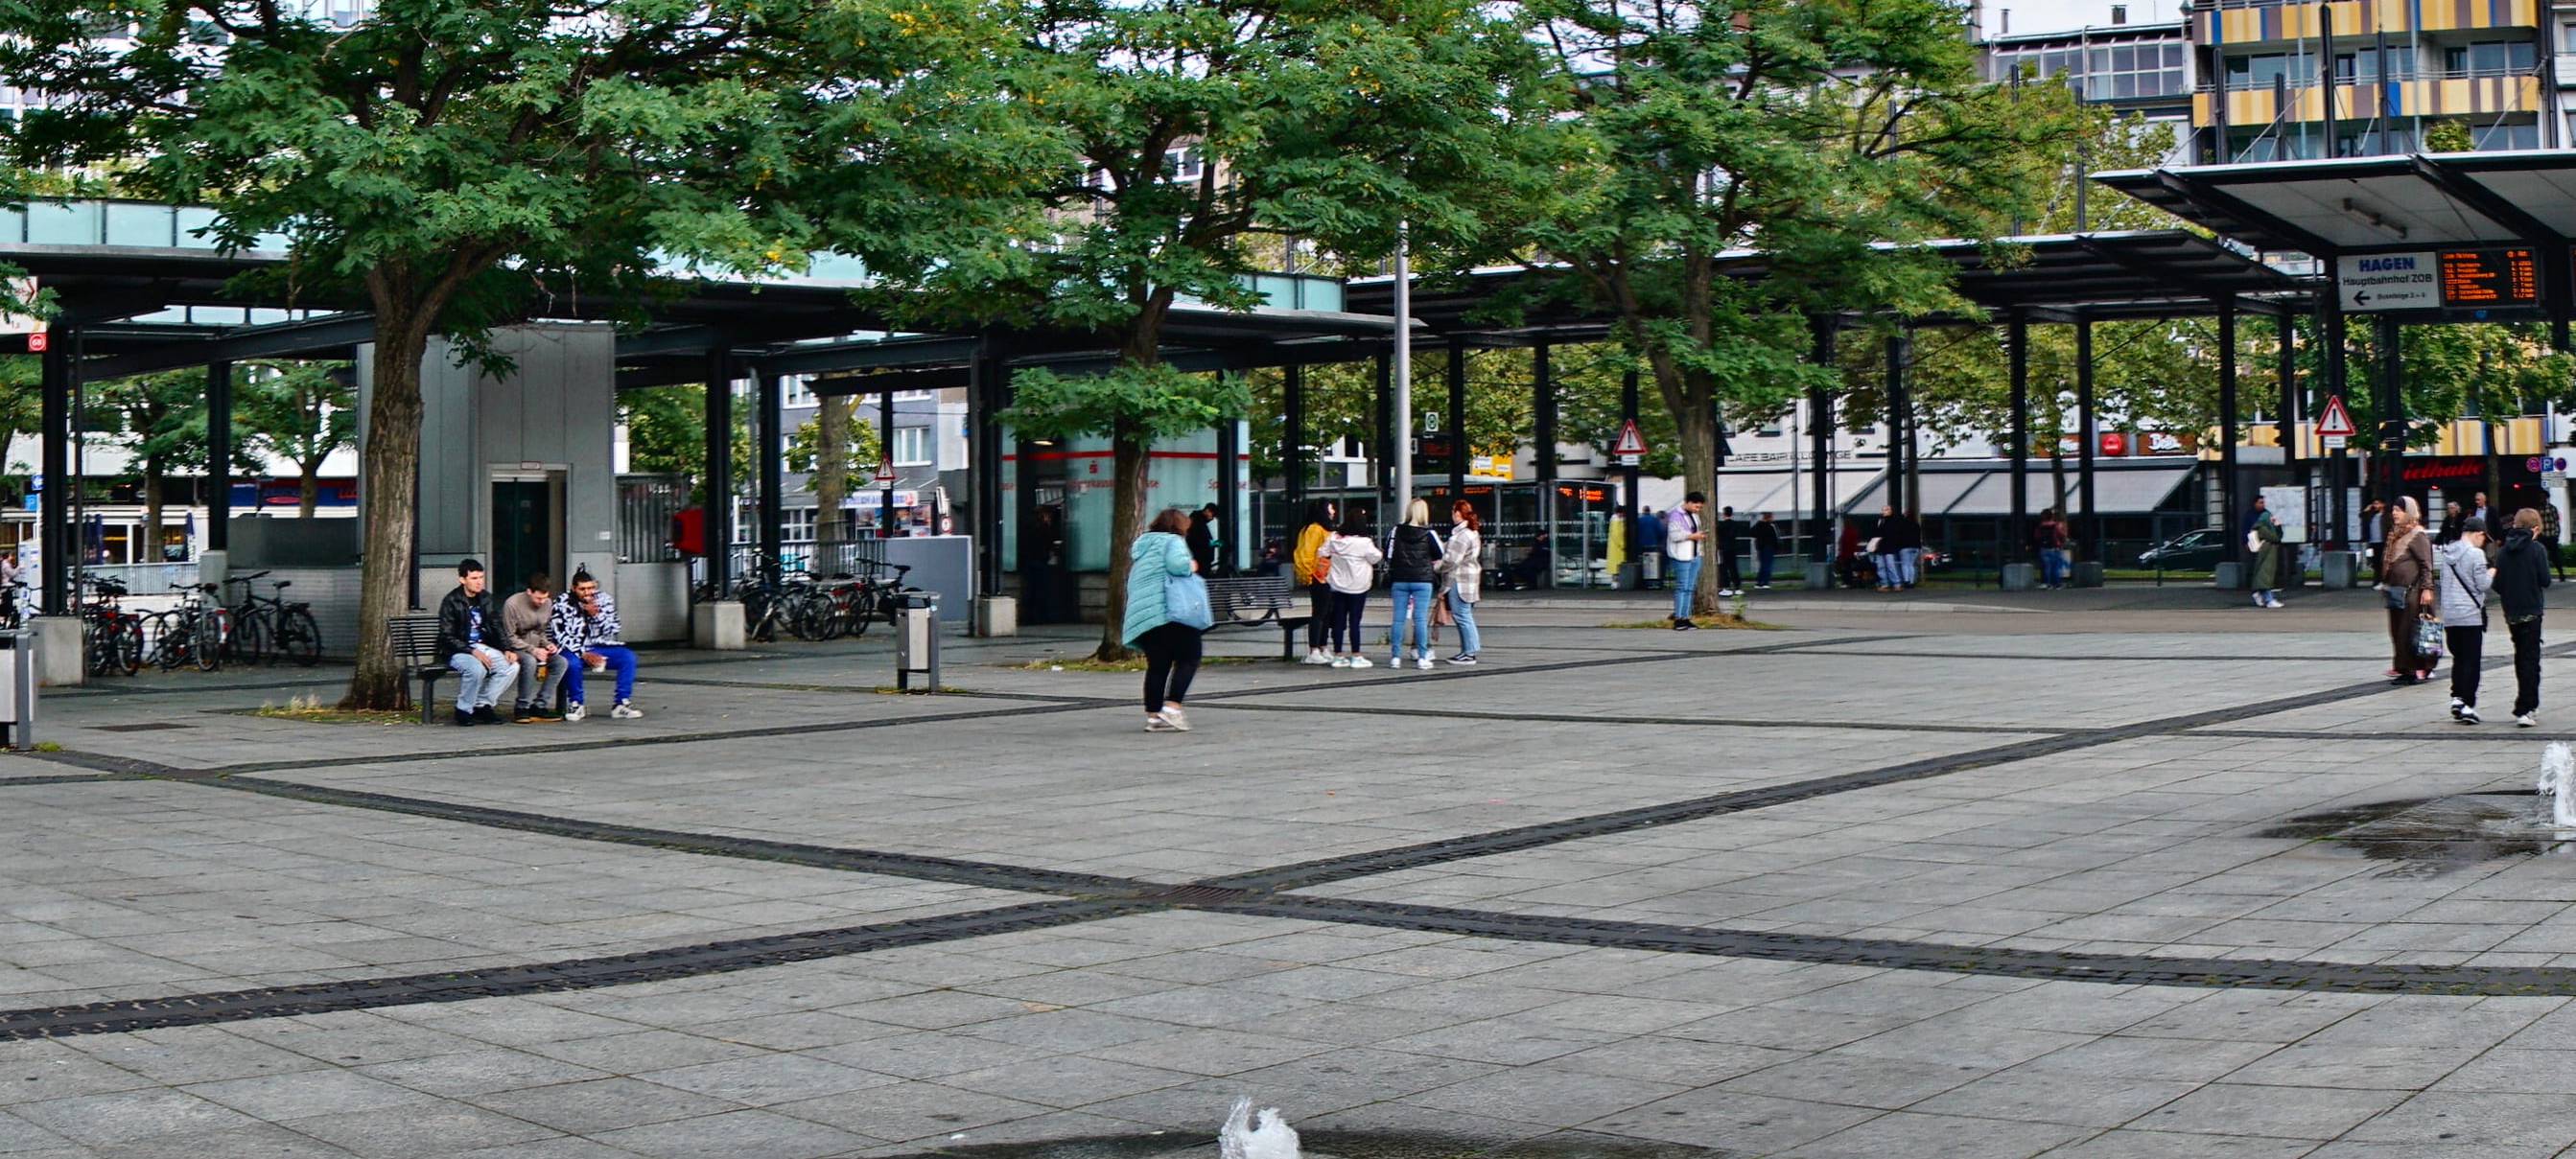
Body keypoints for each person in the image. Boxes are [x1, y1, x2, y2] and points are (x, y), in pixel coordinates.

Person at [1122, 508, 1204, 732]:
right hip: (1169, 611)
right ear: (1180, 526)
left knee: (1158, 665)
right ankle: (1172, 707)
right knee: (1190, 656)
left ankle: (1154, 715)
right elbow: (1178, 567)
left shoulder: (1143, 547)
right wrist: (1192, 565)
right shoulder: (1173, 542)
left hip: (1146, 616)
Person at [437, 558, 520, 727]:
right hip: (457, 650)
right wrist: (472, 651)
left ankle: (483, 704)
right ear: (462, 579)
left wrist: (507, 648)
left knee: (512, 666)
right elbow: (447, 636)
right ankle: (463, 710)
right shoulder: (451, 601)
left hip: (482, 646)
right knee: (476, 670)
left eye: (481, 577)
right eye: (474, 578)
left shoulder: (486, 598)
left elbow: (496, 625)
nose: (479, 582)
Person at [552, 568, 643, 720]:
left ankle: (621, 703)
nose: (587, 593)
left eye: (590, 588)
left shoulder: (604, 599)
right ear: (574, 588)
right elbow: (560, 634)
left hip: (599, 646)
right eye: (582, 589)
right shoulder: (563, 602)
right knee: (572, 664)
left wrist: (596, 615)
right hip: (573, 648)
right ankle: (576, 704)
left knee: (628, 657)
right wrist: (583, 653)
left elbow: (613, 628)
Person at [2436, 516, 2496, 723]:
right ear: (2477, 534)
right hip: (2470, 615)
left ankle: (2457, 697)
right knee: (2472, 661)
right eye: (2483, 538)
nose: (2483, 542)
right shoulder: (2476, 554)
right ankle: (2467, 703)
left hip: (2451, 615)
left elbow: (2443, 585)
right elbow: (2482, 585)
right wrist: (2492, 571)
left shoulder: (2447, 553)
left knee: (2459, 659)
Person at [2497, 507, 2553, 727]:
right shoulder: (2536, 549)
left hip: (2511, 612)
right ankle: (2526, 706)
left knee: (2521, 657)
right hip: (2532, 610)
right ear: (2535, 528)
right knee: (2531, 660)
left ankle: (2528, 703)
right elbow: (2546, 580)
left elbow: (2498, 584)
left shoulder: (2503, 551)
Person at [2380, 504, 2437, 685]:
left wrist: (2427, 588)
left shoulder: (2417, 534)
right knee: (2397, 631)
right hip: (2396, 591)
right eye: (2394, 510)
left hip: (2412, 592)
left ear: (2409, 512)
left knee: (2409, 630)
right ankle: (2404, 667)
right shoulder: (2396, 533)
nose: (2394, 513)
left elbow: (2426, 563)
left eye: (2399, 510)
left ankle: (2414, 669)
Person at [1386, 498, 1443, 670]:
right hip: (1422, 579)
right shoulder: (1429, 533)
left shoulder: (1396, 530)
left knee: (1398, 619)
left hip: (1400, 579)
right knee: (1420, 619)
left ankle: (1395, 657)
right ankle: (1422, 657)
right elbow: (1440, 553)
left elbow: (1388, 554)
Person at [1319, 511, 1382, 668]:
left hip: (1337, 586)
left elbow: (1321, 552)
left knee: (1338, 621)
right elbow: (1376, 557)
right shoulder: (1364, 542)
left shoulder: (1334, 538)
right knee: (1355, 621)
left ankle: (1338, 655)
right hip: (1358, 587)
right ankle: (1356, 655)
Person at [502, 572, 567, 723]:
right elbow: (509, 637)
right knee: (529, 661)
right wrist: (533, 650)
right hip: (518, 646)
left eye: (545, 598)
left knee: (561, 662)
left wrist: (547, 645)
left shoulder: (548, 604)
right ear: (529, 592)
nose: (541, 602)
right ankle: (522, 706)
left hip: (537, 645)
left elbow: (541, 632)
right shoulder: (512, 604)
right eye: (538, 598)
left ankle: (540, 705)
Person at [1293, 500, 1337, 665]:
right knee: (1319, 612)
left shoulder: (1323, 529)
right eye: (1331, 507)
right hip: (1318, 576)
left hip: (1328, 576)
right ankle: (1314, 649)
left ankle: (1323, 646)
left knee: (1327, 612)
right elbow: (1306, 554)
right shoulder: (1314, 529)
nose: (1333, 511)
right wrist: (1309, 575)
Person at [1440, 499, 1484, 664]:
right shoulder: (1471, 532)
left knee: (1462, 615)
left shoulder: (1462, 535)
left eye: (1453, 512)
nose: (1452, 516)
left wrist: (1438, 566)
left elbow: (1452, 560)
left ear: (1458, 513)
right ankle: (1467, 650)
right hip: (1470, 580)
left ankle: (1470, 652)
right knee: (1464, 615)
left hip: (1460, 580)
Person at [1666, 492, 1707, 630]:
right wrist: (1692, 536)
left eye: (1700, 507)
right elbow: (1674, 535)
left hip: (1694, 555)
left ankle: (1686, 617)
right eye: (1696, 506)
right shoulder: (1676, 515)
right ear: (1688, 502)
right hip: (1682, 556)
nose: (1697, 510)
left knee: (1689, 588)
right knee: (1682, 587)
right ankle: (1678, 618)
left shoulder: (1694, 516)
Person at [2247, 496, 2284, 610]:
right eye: (2260, 502)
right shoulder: (2263, 528)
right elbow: (2276, 538)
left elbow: (2278, 537)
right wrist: (2278, 527)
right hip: (2267, 551)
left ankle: (2261, 594)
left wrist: (2278, 528)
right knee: (2265, 576)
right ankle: (2269, 599)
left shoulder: (2262, 525)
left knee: (2263, 575)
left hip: (2267, 551)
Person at [2035, 508, 2070, 591]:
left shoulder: (2040, 526)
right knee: (2056, 567)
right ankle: (2057, 584)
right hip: (2055, 548)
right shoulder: (2055, 525)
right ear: (2052, 516)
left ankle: (2046, 583)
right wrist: (2061, 542)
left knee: (2046, 567)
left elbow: (2037, 537)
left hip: (2044, 548)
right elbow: (2061, 535)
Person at [1715, 506, 1745, 597]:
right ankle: (1737, 587)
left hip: (1723, 549)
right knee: (1734, 568)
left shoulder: (1720, 525)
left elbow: (1718, 536)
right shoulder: (1735, 524)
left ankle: (1725, 587)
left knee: (1723, 568)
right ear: (1732, 513)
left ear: (1724, 514)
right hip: (1733, 548)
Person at [1186, 503, 1220, 575]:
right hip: (1202, 559)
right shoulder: (1198, 523)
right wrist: (1218, 543)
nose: (1212, 518)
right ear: (1207, 511)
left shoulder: (1197, 521)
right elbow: (1204, 541)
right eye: (1212, 515)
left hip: (1200, 558)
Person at [1636, 507, 1666, 589]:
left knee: (1643, 563)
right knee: (1653, 563)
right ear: (1650, 511)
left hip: (1641, 546)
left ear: (1643, 511)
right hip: (1653, 545)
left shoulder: (1639, 520)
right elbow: (1661, 531)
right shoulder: (1655, 520)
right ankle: (1654, 582)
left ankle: (1644, 582)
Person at [1752, 513, 1781, 591]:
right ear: (1770, 517)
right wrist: (1777, 547)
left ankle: (1759, 582)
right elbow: (1776, 537)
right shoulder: (1771, 526)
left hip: (1761, 547)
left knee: (1762, 565)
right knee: (1768, 565)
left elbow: (1752, 533)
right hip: (1769, 547)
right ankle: (1765, 582)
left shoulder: (1759, 525)